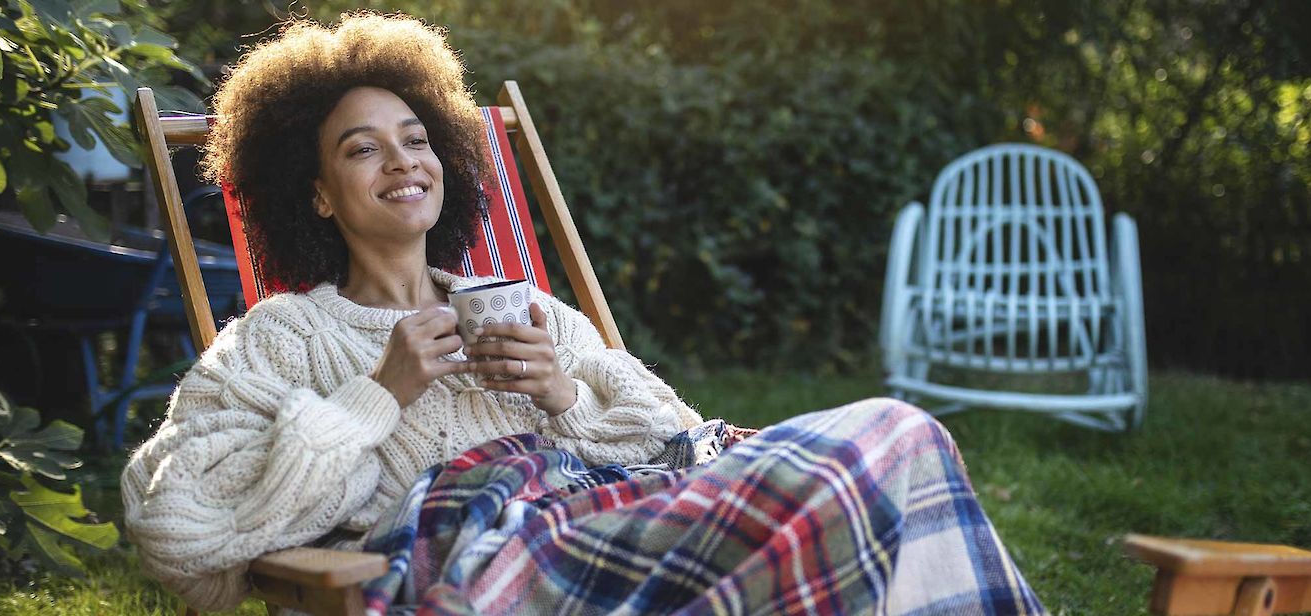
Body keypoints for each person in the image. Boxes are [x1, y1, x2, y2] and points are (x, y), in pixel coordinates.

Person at [122, 13, 1041, 615]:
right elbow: (180, 531)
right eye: (362, 150)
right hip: (493, 561)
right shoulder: (281, 338)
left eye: (416, 138)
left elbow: (687, 438)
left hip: (621, 523)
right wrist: (379, 395)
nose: (402, 161)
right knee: (886, 436)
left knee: (903, 439)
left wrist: (565, 394)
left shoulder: (529, 314)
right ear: (316, 196)